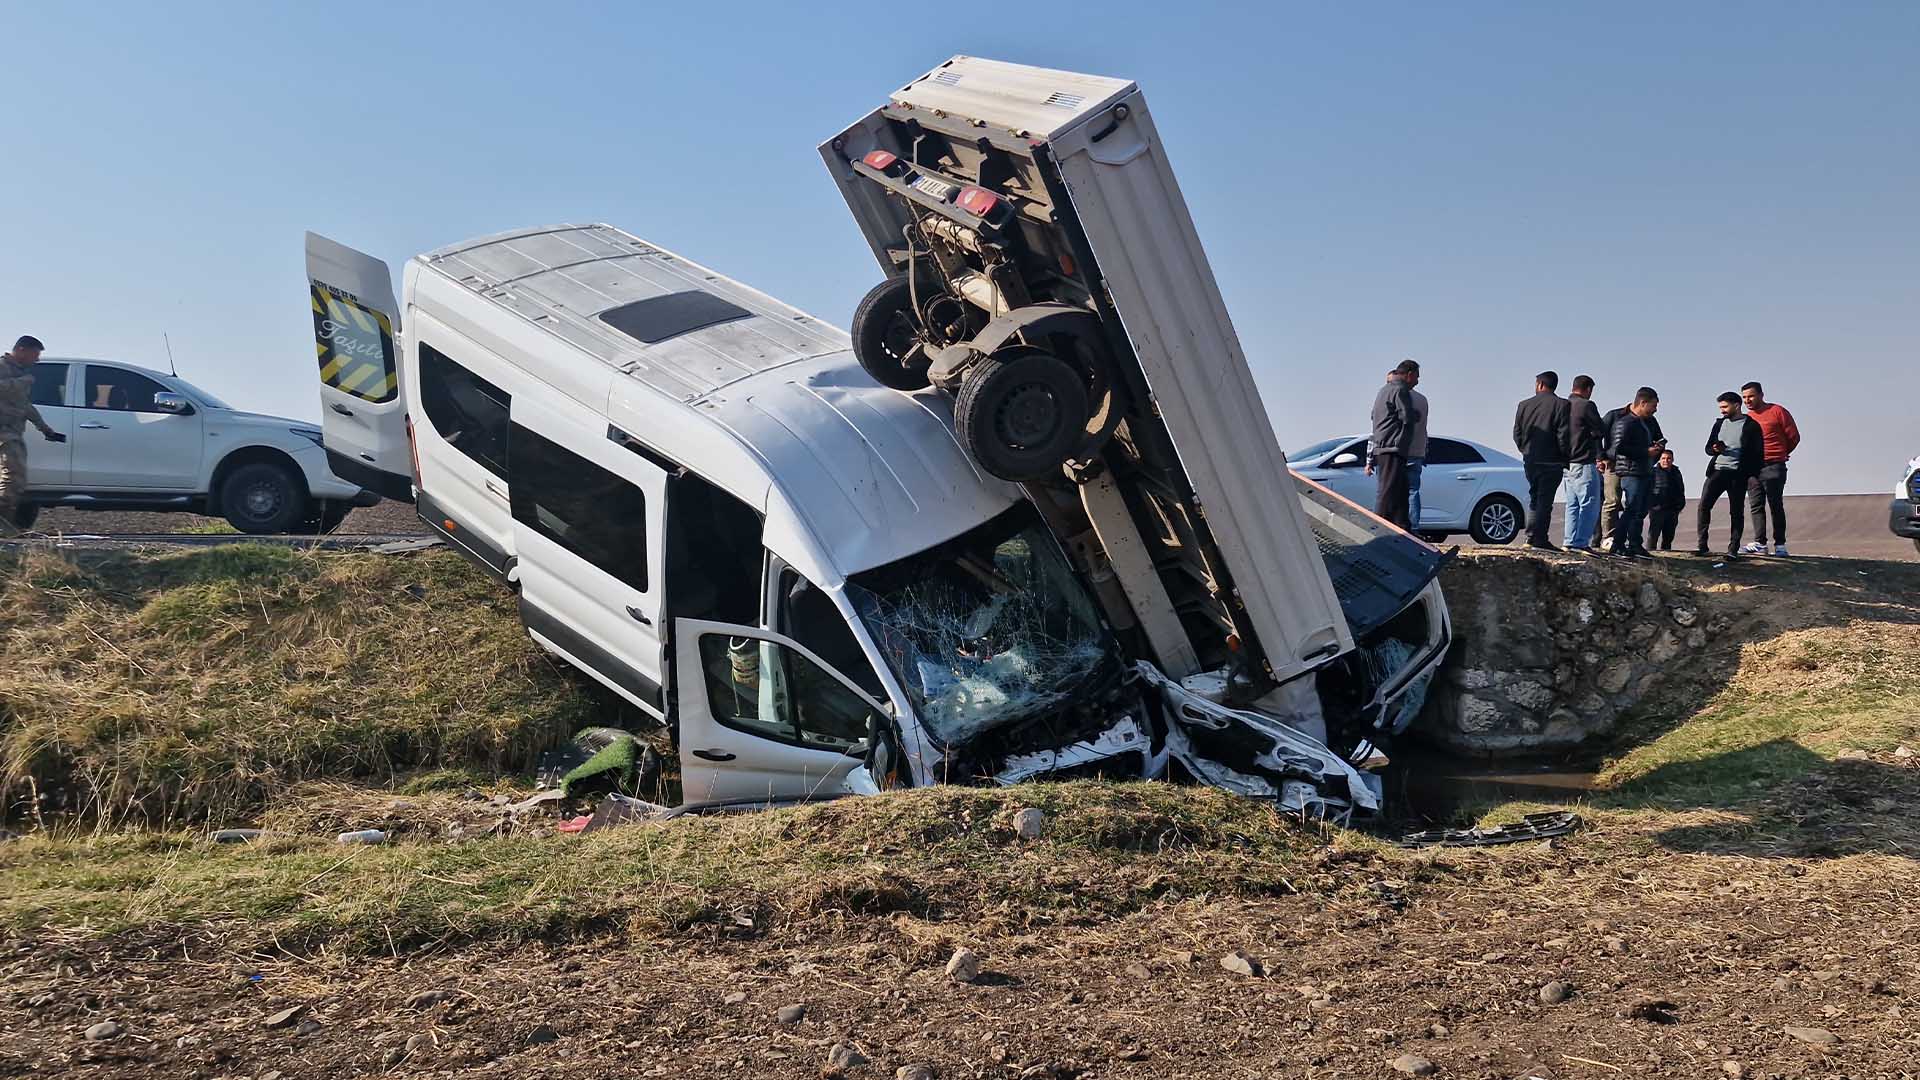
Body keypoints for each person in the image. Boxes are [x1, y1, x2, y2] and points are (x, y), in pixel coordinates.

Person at [0, 336, 67, 532]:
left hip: (12, 431)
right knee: (13, 477)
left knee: (15, 479)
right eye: (35, 354)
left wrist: (45, 429)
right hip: (3, 432)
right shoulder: (4, 368)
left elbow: (25, 406)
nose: (36, 360)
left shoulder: (19, 373)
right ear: (21, 350)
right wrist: (22, 382)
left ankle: (6, 526)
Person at [1695, 391, 1763, 557]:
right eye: (1720, 407)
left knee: (1736, 512)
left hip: (1738, 475)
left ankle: (1733, 549)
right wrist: (1715, 449)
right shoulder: (1719, 424)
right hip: (1717, 471)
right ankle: (1702, 546)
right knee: (1703, 506)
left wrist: (1750, 474)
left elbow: (1758, 453)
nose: (1722, 410)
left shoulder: (1752, 426)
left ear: (1737, 405)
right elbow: (1708, 448)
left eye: (1725, 407)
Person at [1738, 381, 1800, 557]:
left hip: (1773, 465)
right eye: (1744, 397)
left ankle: (1780, 545)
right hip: (1753, 468)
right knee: (1756, 505)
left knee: (1775, 504)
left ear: (1761, 395)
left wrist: (1780, 453)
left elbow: (1793, 436)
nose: (1747, 400)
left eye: (1750, 396)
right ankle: (1760, 543)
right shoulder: (1747, 418)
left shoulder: (1777, 411)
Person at [1511, 370, 1570, 550]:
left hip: (1531, 460)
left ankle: (1531, 536)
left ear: (1540, 384)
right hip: (1552, 461)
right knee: (1545, 501)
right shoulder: (1562, 405)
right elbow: (1563, 434)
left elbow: (1517, 433)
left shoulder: (1524, 405)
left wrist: (1526, 451)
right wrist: (1563, 457)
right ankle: (1539, 538)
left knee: (1535, 498)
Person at [1598, 392, 1666, 544]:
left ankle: (1633, 542)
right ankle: (1609, 539)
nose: (1655, 410)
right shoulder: (1617, 417)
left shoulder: (1649, 421)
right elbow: (1603, 439)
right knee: (1613, 501)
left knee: (1637, 507)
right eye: (1653, 406)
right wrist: (1601, 457)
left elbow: (1659, 439)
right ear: (1642, 403)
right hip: (1614, 464)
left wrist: (1653, 456)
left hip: (1641, 467)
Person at [1366, 360, 1420, 530]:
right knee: (1388, 490)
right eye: (1417, 377)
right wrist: (1415, 415)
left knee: (1401, 491)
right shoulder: (1400, 390)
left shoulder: (1383, 391)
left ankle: (1403, 527)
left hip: (1384, 446)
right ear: (1409, 374)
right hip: (1393, 447)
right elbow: (1407, 417)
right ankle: (1377, 531)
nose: (1417, 382)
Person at [1562, 374, 1605, 551]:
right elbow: (1600, 429)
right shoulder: (1586, 405)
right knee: (1590, 504)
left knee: (1572, 505)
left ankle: (1569, 541)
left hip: (1567, 463)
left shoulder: (1562, 405)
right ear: (1588, 389)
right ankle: (1581, 543)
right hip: (1584, 461)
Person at [1404, 365, 1430, 532]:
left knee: (1397, 491)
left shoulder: (1398, 396)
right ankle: (1414, 526)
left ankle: (1400, 526)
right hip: (1418, 451)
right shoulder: (1423, 400)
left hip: (1401, 452)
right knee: (1413, 491)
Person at [1647, 449, 1686, 551]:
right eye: (1663, 458)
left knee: (1668, 537)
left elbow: (1681, 489)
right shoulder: (1653, 472)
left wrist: (1680, 505)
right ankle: (1649, 555)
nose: (1666, 461)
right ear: (1659, 460)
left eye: (1668, 458)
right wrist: (1651, 504)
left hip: (1672, 510)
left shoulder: (1676, 472)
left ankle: (1667, 557)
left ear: (1672, 459)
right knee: (1653, 535)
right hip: (1657, 509)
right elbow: (1647, 489)